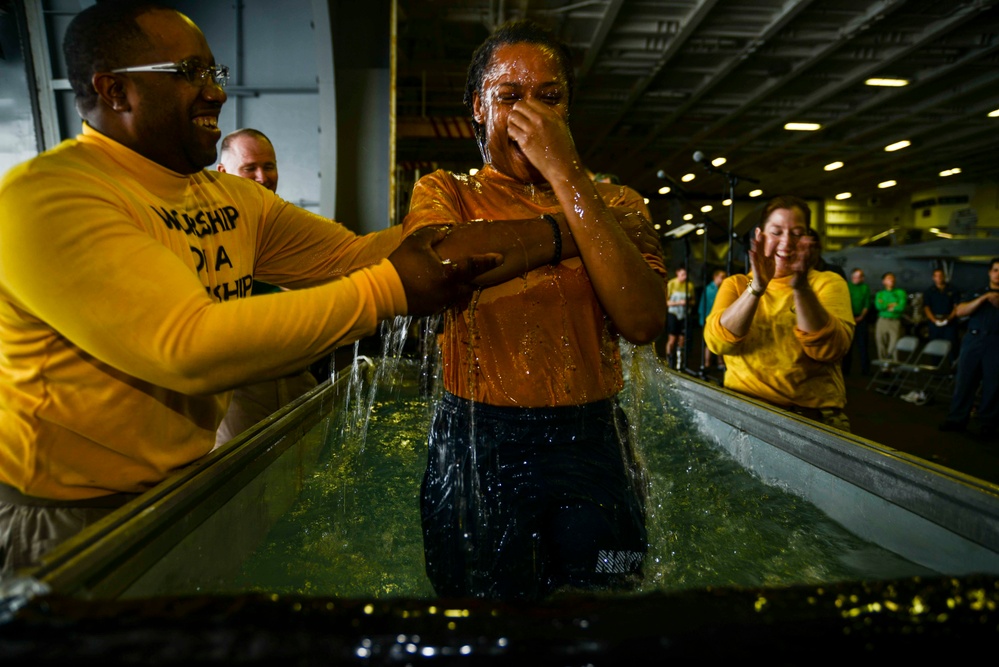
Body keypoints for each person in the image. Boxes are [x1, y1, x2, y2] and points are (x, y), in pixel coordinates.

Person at [0, 2, 500, 574]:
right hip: (65, 517)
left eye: (214, 73)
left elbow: (353, 255)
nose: (214, 93)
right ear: (116, 92)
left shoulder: (232, 201)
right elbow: (188, 347)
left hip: (178, 491)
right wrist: (390, 291)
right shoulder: (49, 198)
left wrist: (498, 220)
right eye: (188, 73)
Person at [403, 20, 666, 600]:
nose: (532, 115)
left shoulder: (620, 201)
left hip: (593, 441)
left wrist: (568, 176)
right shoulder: (445, 191)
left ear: (568, 110)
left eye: (550, 97)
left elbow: (643, 321)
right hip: (476, 437)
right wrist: (577, 227)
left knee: (611, 588)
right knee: (472, 605)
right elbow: (441, 265)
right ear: (477, 107)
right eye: (509, 96)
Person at [704, 196, 854, 431]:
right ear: (759, 236)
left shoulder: (827, 283)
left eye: (797, 233)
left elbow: (830, 350)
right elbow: (719, 343)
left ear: (808, 239)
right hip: (744, 412)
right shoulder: (736, 284)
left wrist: (801, 288)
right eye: (776, 232)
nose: (787, 241)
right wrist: (757, 288)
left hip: (811, 420)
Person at [212, 128, 319, 447]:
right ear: (223, 172)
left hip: (297, 377)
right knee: (243, 483)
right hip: (240, 391)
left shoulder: (290, 225)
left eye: (269, 166)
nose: (262, 177)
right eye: (250, 168)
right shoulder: (209, 231)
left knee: (308, 470)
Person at [939, 259, 999, 439]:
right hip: (973, 339)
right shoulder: (978, 292)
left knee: (993, 385)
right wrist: (984, 298)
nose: (998, 274)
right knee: (964, 380)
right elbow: (960, 311)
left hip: (996, 341)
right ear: (989, 272)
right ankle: (957, 419)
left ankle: (987, 424)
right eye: (995, 270)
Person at [922, 268, 960, 354]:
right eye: (936, 276)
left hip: (950, 322)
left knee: (952, 346)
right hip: (935, 322)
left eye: (941, 276)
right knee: (935, 346)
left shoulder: (953, 290)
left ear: (944, 277)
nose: (939, 278)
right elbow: (926, 307)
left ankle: (952, 365)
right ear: (933, 278)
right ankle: (935, 365)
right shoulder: (929, 291)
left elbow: (956, 306)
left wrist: (949, 319)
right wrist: (934, 320)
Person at [843, 268, 872, 376]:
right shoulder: (847, 286)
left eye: (859, 277)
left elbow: (867, 303)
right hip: (849, 318)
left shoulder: (865, 288)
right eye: (855, 276)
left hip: (861, 319)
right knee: (847, 347)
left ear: (862, 278)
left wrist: (861, 317)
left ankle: (865, 370)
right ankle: (845, 370)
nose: (856, 279)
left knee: (863, 346)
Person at [663, 267, 693, 369]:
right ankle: (669, 359)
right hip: (673, 314)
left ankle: (680, 362)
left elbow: (693, 301)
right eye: (682, 274)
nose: (684, 277)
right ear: (677, 273)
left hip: (684, 315)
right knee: (672, 338)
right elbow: (666, 302)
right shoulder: (671, 284)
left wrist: (688, 303)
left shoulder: (689, 286)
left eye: (686, 275)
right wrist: (678, 303)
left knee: (682, 338)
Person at [874, 272, 907, 360]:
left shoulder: (900, 292)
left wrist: (885, 305)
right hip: (882, 321)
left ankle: (894, 366)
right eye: (888, 278)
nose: (891, 280)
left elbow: (901, 307)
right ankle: (884, 367)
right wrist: (893, 305)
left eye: (893, 278)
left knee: (894, 345)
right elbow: (878, 306)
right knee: (881, 343)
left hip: (895, 321)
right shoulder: (880, 294)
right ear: (883, 281)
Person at [699, 268, 726, 370]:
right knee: (710, 343)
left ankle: (715, 363)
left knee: (718, 341)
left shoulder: (719, 289)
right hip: (710, 320)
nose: (724, 279)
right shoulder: (710, 290)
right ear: (715, 277)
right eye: (722, 277)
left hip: (716, 319)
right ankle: (707, 363)